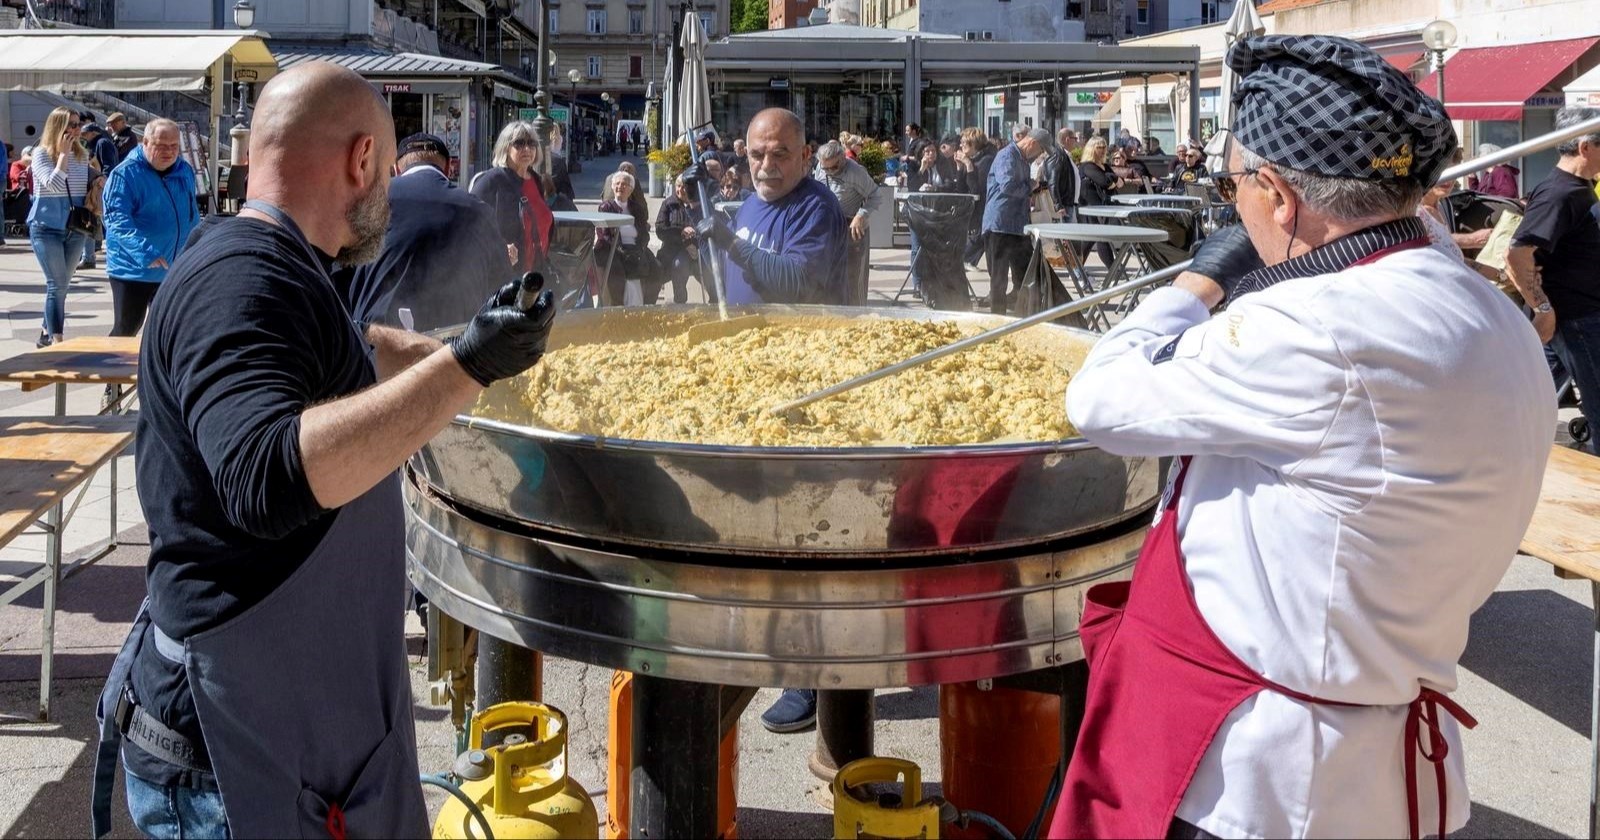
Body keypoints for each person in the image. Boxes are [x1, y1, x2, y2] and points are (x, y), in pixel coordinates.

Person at [1052, 35, 1553, 840]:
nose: (1235, 207)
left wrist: (1198, 280)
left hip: (1264, 776)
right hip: (1382, 754)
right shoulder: (1494, 315)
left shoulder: (1310, 328)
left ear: (1279, 196)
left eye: (1235, 188)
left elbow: (1100, 398)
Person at [89, 60, 557, 840]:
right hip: (229, 763)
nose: (387, 195)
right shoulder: (239, 280)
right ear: (363, 159)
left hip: (287, 726)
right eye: (385, 171)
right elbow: (268, 477)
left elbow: (348, 346)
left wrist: (467, 359)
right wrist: (469, 366)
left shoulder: (272, 260)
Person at [339, 132, 512, 333]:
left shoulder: (371, 201)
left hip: (378, 340)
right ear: (448, 168)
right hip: (457, 341)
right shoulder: (478, 210)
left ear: (396, 168)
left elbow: (339, 271)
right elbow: (502, 288)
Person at [1507, 107, 1600, 455]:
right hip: (1576, 318)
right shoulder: (1560, 193)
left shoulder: (1578, 188)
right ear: (1585, 147)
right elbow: (1517, 253)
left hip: (1577, 315)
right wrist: (1543, 309)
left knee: (1530, 400)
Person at [693, 108, 846, 312]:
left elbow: (799, 285)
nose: (766, 166)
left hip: (794, 331)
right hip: (741, 329)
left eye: (779, 155)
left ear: (804, 155)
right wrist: (697, 206)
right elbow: (722, 268)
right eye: (756, 155)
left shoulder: (816, 205)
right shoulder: (750, 204)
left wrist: (732, 243)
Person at [101, 118, 200, 340]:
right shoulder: (124, 174)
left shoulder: (184, 170)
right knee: (127, 328)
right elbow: (116, 220)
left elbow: (191, 214)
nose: (169, 152)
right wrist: (144, 252)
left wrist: (197, 247)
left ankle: (153, 364)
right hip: (133, 269)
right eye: (161, 146)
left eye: (174, 146)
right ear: (145, 142)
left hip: (173, 267)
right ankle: (109, 363)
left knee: (168, 330)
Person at [26, 107, 94, 348]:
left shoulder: (82, 154)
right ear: (58, 127)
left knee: (62, 285)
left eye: (78, 125)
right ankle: (57, 340)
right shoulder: (40, 154)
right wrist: (63, 155)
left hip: (75, 227)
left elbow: (87, 177)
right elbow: (53, 184)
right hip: (46, 227)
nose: (77, 130)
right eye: (71, 125)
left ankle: (46, 331)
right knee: (56, 284)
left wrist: (98, 177)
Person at [981, 127, 1054, 316]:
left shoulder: (1022, 160)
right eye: (1041, 150)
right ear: (1033, 143)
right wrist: (1031, 185)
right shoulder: (1007, 156)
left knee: (1025, 274)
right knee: (998, 279)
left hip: (1017, 225)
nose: (1040, 154)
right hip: (1000, 224)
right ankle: (998, 319)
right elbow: (1008, 186)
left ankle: (1023, 314)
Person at [470, 120, 554, 275]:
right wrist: (499, 248)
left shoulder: (536, 180)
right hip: (503, 276)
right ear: (506, 148)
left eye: (532, 143)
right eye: (519, 143)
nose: (527, 149)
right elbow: (470, 226)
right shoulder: (491, 181)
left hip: (535, 274)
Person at [814, 139, 883, 305]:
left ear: (842, 158)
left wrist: (861, 215)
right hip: (830, 227)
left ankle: (858, 312)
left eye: (834, 167)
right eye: (825, 168)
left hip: (853, 228)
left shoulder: (856, 172)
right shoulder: (821, 168)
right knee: (830, 276)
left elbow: (876, 195)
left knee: (854, 277)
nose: (829, 172)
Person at [597, 170, 657, 305]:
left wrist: (640, 249)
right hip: (612, 249)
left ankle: (648, 306)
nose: (620, 187)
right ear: (612, 187)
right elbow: (604, 235)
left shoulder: (637, 208)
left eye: (624, 184)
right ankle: (619, 306)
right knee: (618, 271)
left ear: (631, 189)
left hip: (636, 247)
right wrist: (621, 251)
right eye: (617, 184)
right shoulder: (606, 207)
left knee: (656, 268)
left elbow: (644, 233)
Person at [655, 174, 704, 304]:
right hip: (671, 248)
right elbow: (660, 229)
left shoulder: (699, 204)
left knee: (680, 264)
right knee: (658, 270)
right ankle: (675, 302)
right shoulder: (669, 204)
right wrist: (681, 232)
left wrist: (694, 232)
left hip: (694, 249)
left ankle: (682, 302)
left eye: (684, 187)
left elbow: (705, 225)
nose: (680, 190)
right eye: (678, 186)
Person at [955, 128, 997, 267]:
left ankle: (964, 260)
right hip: (973, 208)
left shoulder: (986, 160)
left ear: (973, 144)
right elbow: (961, 189)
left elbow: (976, 191)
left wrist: (968, 166)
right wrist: (960, 167)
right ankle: (967, 261)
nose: (961, 145)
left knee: (980, 236)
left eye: (964, 143)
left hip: (984, 207)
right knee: (979, 237)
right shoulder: (972, 160)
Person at [1077, 136, 1121, 270]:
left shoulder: (1105, 166)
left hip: (1102, 206)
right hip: (1089, 206)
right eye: (1099, 147)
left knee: (1092, 238)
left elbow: (1120, 183)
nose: (1102, 150)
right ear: (1091, 149)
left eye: (1104, 147)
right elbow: (1105, 183)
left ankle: (1076, 267)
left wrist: (1112, 179)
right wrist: (1112, 179)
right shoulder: (1087, 166)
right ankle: (1113, 269)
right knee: (1099, 236)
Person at [1048, 127, 1081, 222]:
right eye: (1075, 138)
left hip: (1070, 203)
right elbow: (1053, 182)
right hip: (1064, 205)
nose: (1076, 141)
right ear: (1067, 139)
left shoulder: (1065, 155)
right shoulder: (1058, 156)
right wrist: (1058, 205)